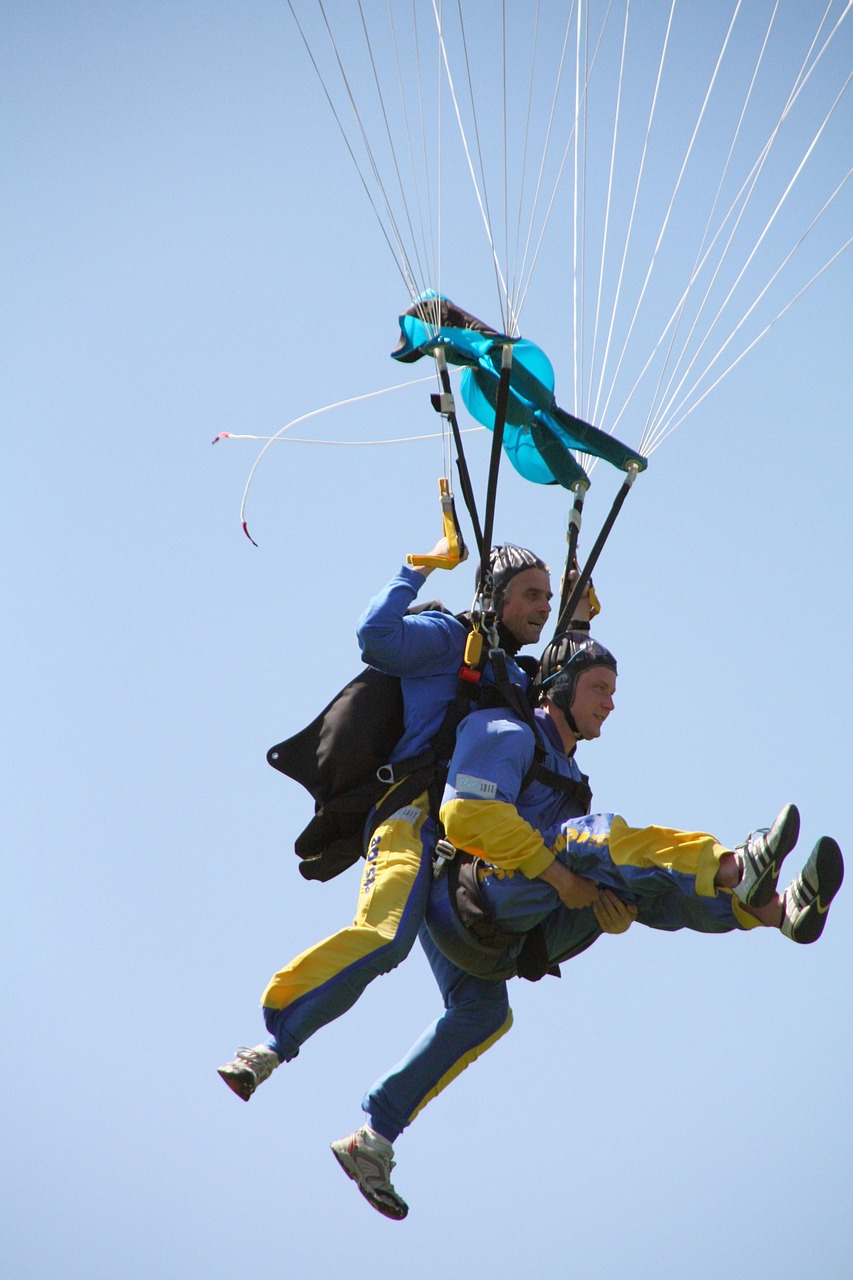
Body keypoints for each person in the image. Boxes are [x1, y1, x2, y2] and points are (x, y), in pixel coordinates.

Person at [328, 631, 844, 1220]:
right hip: (473, 895)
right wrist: (563, 878)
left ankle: (775, 911)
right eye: (599, 687)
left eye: (613, 691)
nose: (611, 702)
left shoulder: (569, 775)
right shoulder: (507, 731)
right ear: (560, 688)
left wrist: (599, 905)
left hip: (509, 942)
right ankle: (731, 866)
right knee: (587, 838)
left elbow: (589, 877)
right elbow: (467, 815)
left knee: (601, 907)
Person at [218, 539, 576, 1101]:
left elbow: (560, 721)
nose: (543, 607)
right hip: (411, 819)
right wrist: (417, 569)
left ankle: (376, 1133)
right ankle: (271, 1040)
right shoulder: (450, 639)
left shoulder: (518, 680)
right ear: (496, 597)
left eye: (548, 598)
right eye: (532, 595)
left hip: (464, 848)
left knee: (483, 1011)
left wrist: (578, 622)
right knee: (386, 938)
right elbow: (374, 638)